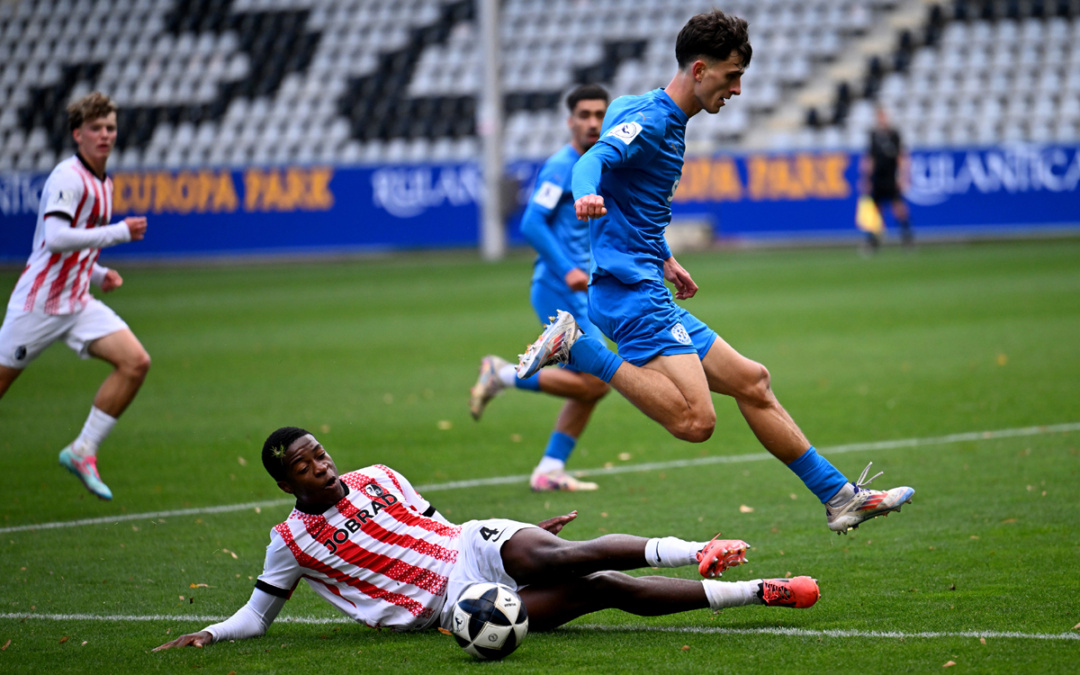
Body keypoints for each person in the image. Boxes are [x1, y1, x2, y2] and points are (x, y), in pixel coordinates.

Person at [516, 11, 914, 534]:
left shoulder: (637, 109)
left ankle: (840, 497)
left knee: (753, 381)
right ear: (699, 69)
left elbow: (633, 198)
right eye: (731, 76)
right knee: (697, 422)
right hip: (631, 295)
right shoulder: (656, 120)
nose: (739, 89)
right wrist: (585, 192)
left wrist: (665, 256)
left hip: (639, 279)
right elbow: (594, 162)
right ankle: (578, 347)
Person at [154, 427, 819, 650]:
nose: (321, 464)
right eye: (304, 463)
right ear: (284, 479)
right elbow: (257, 615)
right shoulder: (290, 540)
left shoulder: (379, 474)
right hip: (455, 603)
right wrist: (211, 633)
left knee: (561, 554)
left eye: (320, 452)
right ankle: (753, 592)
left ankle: (694, 547)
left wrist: (519, 525)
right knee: (599, 588)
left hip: (473, 545)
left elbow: (440, 525)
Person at [0, 92, 150, 501]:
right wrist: (118, 232)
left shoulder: (104, 182)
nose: (105, 135)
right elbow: (55, 238)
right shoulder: (68, 177)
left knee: (135, 362)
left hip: (78, 300)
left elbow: (75, 245)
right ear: (77, 134)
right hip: (39, 304)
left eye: (111, 128)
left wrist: (99, 273)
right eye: (97, 129)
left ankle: (83, 449)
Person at [469, 84, 611, 492]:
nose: (592, 123)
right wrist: (567, 269)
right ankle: (503, 374)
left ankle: (549, 469)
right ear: (570, 121)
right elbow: (532, 221)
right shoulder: (561, 165)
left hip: (581, 288)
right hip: (558, 287)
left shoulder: (599, 165)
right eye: (584, 115)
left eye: (599, 114)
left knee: (590, 387)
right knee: (600, 380)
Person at [859, 104, 913, 252]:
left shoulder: (894, 135)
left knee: (898, 207)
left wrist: (903, 176)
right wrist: (866, 178)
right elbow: (870, 159)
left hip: (891, 176)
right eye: (879, 117)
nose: (881, 120)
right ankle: (873, 242)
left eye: (883, 117)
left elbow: (902, 157)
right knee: (876, 210)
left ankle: (907, 238)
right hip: (877, 177)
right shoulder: (873, 136)